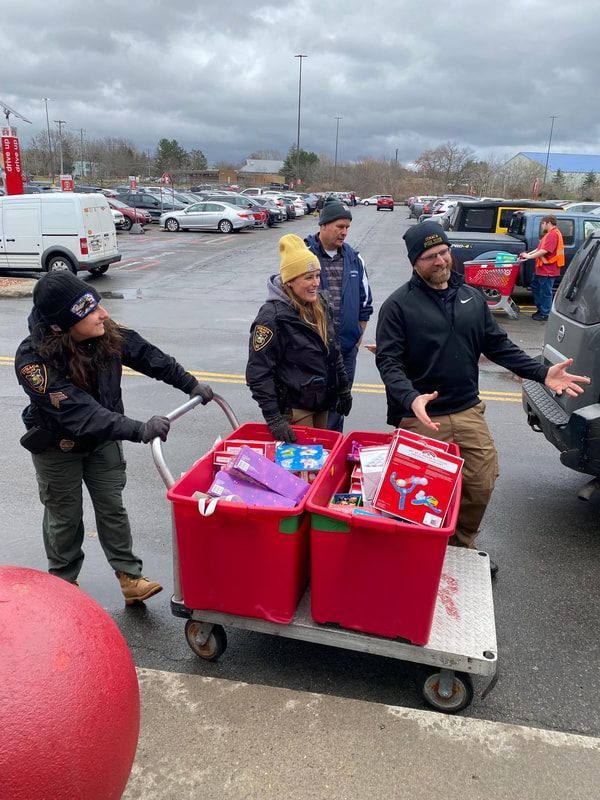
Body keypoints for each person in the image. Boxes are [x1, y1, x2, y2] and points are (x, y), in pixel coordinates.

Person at [375, 222, 589, 576]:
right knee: (418, 493)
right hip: (422, 417)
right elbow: (389, 361)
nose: (440, 261)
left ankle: (459, 548)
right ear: (415, 262)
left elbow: (497, 345)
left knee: (481, 481)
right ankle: (417, 554)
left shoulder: (470, 297)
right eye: (430, 257)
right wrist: (409, 397)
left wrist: (542, 372)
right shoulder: (399, 306)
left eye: (443, 252)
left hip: (467, 410)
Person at [15, 272, 213, 604]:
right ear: (61, 326)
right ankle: (64, 583)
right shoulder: (33, 362)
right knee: (65, 515)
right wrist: (139, 429)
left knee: (112, 507)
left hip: (103, 440)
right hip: (58, 446)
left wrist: (190, 384)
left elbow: (148, 355)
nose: (103, 314)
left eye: (98, 305)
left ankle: (129, 577)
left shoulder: (104, 332)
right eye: (89, 311)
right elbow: (81, 412)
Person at [246, 233, 352, 442]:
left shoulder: (320, 305)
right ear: (291, 281)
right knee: (301, 470)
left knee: (319, 465)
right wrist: (274, 418)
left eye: (317, 276)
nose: (315, 283)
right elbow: (258, 373)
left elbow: (333, 351)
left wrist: (343, 388)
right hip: (294, 409)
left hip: (321, 402)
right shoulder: (272, 319)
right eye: (308, 277)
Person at [305, 196, 373, 431]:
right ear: (323, 225)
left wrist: (357, 338)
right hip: (310, 349)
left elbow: (366, 303)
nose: (344, 232)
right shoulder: (304, 255)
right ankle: (311, 453)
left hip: (345, 350)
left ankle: (332, 451)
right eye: (339, 226)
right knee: (309, 403)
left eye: (347, 227)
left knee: (338, 404)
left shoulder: (355, 259)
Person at [517, 215, 565, 321]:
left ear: (548, 223)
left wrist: (528, 256)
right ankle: (541, 309)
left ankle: (545, 313)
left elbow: (544, 251)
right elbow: (539, 248)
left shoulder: (553, 235)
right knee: (536, 287)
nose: (542, 227)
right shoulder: (549, 234)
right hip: (542, 269)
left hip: (548, 270)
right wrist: (527, 254)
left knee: (545, 292)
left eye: (542, 224)